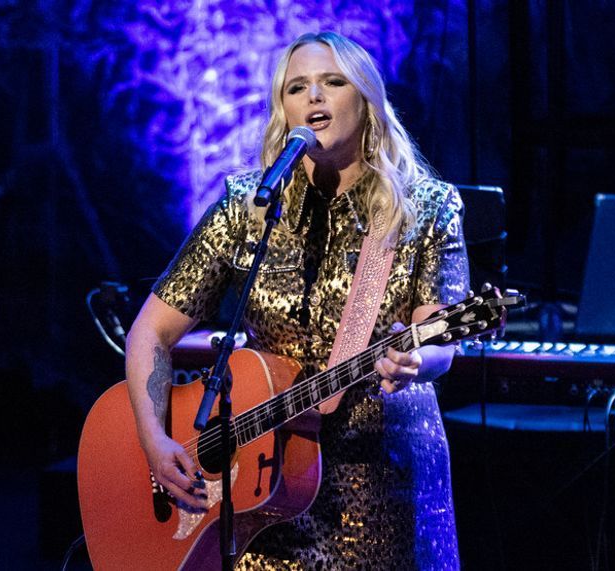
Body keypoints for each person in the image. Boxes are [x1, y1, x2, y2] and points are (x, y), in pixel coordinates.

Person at [124, 31, 469, 569]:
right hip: (262, 483)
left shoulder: (423, 207)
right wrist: (153, 440)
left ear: (368, 100)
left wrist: (417, 359)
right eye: (297, 87)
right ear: (281, 109)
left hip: (380, 476)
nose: (314, 97)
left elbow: (440, 332)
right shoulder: (247, 207)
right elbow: (151, 331)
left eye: (333, 83)